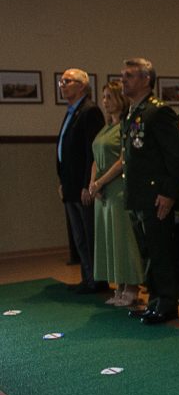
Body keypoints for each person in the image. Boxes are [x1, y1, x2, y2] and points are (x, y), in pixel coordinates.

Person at [120, 57, 179, 324]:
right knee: (148, 252)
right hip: (138, 195)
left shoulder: (158, 112)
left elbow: (176, 155)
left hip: (155, 195)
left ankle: (167, 304)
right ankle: (155, 301)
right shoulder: (133, 111)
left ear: (146, 80)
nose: (123, 80)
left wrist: (169, 192)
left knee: (160, 251)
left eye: (129, 76)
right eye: (122, 76)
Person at [88, 81, 144, 307]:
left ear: (120, 99)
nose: (105, 101)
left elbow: (124, 159)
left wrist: (101, 181)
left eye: (109, 97)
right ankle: (119, 285)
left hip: (118, 188)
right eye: (103, 97)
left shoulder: (127, 125)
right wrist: (93, 183)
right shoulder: (105, 127)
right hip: (103, 192)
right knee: (110, 238)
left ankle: (132, 287)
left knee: (123, 238)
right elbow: (95, 157)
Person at [56, 68, 105, 294]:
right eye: (61, 82)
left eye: (67, 81)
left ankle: (96, 279)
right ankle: (87, 277)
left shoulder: (90, 111)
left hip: (83, 186)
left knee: (88, 234)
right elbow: (65, 150)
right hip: (70, 185)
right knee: (78, 236)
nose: (62, 85)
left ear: (82, 86)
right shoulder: (71, 111)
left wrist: (88, 184)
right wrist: (62, 182)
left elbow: (91, 151)